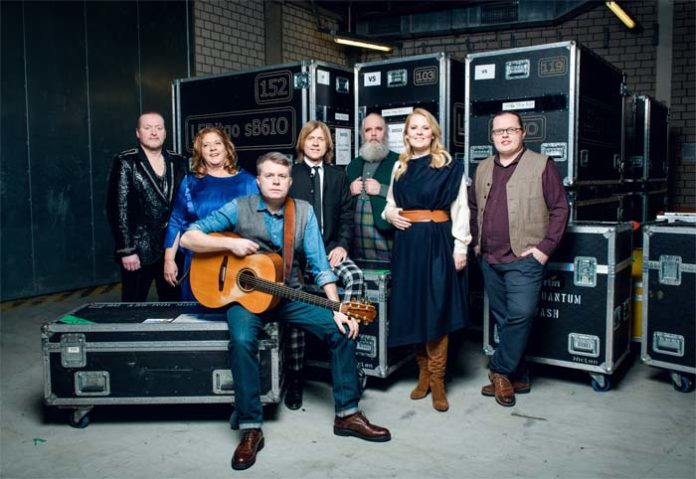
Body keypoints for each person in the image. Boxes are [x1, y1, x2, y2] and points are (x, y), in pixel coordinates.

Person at [180, 152, 391, 471]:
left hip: (288, 295)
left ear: (290, 181)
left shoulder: (302, 212)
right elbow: (189, 237)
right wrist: (230, 246)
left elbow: (321, 266)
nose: (276, 181)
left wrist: (337, 306)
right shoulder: (240, 207)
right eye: (269, 176)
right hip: (243, 297)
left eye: (282, 177)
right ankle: (251, 427)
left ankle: (347, 414)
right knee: (240, 341)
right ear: (259, 180)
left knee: (342, 329)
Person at [469, 111, 569, 408]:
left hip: (525, 258)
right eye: (499, 131)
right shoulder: (483, 167)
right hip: (489, 258)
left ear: (523, 133)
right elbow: (474, 207)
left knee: (521, 314)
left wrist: (544, 249)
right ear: (492, 137)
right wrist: (476, 244)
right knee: (505, 320)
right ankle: (519, 374)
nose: (505, 135)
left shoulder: (542, 165)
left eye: (511, 130)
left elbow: (560, 209)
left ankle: (499, 371)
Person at [383, 108, 471, 412]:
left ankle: (437, 380)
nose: (419, 133)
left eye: (425, 128)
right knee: (411, 309)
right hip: (407, 244)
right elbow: (390, 205)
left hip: (437, 242)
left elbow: (461, 208)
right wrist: (391, 214)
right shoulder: (399, 166)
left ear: (433, 133)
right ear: (406, 134)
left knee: (436, 309)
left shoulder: (448, 165)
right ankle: (422, 373)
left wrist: (461, 247)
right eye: (413, 128)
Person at [284, 120, 365, 410]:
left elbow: (346, 214)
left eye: (321, 139)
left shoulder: (337, 175)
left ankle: (349, 357)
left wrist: (342, 245)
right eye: (311, 138)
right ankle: (294, 377)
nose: (316, 143)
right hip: (298, 256)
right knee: (295, 298)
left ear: (328, 145)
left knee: (355, 277)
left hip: (330, 250)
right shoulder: (290, 174)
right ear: (302, 142)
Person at [163, 127, 258, 299]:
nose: (213, 148)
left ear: (226, 147)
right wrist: (169, 260)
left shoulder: (248, 182)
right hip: (198, 262)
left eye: (217, 143)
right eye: (206, 145)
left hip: (238, 263)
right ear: (201, 152)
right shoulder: (190, 182)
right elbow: (176, 221)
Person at [106, 112, 188, 302]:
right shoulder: (126, 161)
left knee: (174, 304)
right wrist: (127, 250)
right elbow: (118, 209)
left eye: (159, 128)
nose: (154, 133)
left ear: (165, 133)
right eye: (147, 128)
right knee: (133, 303)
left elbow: (184, 203)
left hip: (172, 247)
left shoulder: (178, 160)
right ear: (138, 132)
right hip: (139, 248)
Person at [346, 113, 399, 261]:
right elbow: (340, 204)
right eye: (368, 130)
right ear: (363, 135)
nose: (373, 134)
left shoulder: (399, 161)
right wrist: (349, 191)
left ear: (386, 132)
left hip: (386, 232)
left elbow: (411, 197)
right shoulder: (352, 165)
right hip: (357, 234)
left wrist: (381, 189)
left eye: (378, 129)